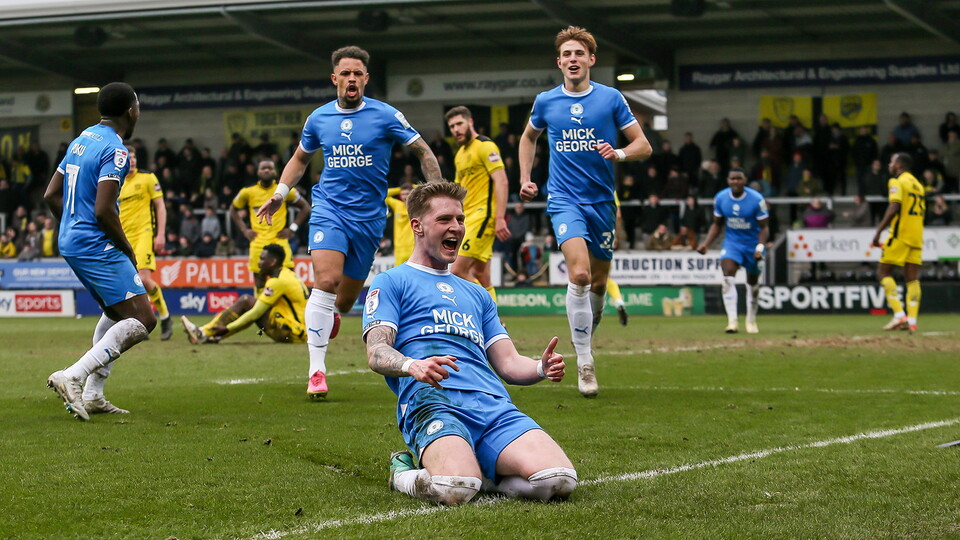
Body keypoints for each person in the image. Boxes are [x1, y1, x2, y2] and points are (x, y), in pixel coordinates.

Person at [363, 182, 575, 505]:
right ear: (417, 226)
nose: (457, 228)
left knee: (559, 480)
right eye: (445, 219)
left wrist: (539, 368)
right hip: (433, 402)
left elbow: (507, 362)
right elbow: (377, 352)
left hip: (492, 407)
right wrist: (412, 365)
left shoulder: (477, 293)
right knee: (455, 487)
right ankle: (403, 472)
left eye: (460, 219)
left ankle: (483, 474)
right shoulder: (391, 282)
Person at [256, 45, 444, 399]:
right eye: (345, 73)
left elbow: (422, 150)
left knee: (342, 301)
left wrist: (435, 194)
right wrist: (281, 192)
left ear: (366, 79)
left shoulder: (386, 114)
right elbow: (299, 159)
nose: (352, 79)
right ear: (334, 79)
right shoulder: (318, 119)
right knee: (325, 280)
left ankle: (332, 314)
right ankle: (316, 372)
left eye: (357, 73)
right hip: (329, 208)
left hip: (369, 218)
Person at [517, 26, 652, 397]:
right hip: (563, 199)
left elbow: (643, 145)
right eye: (567, 54)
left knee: (598, 281)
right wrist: (526, 178)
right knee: (578, 273)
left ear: (591, 60)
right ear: (559, 62)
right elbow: (528, 137)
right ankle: (586, 361)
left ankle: (588, 331)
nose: (573, 59)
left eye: (580, 54)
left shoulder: (610, 99)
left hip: (602, 202)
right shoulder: (546, 101)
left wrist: (619, 153)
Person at [43, 82, 157, 420]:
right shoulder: (116, 150)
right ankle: (73, 376)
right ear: (131, 111)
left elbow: (51, 195)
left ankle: (93, 395)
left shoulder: (81, 140)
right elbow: (104, 210)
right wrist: (126, 247)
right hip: (96, 243)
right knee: (143, 319)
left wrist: (71, 227)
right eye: (138, 106)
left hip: (71, 240)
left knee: (116, 310)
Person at [446, 105, 511, 302]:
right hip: (467, 218)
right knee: (481, 275)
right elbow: (458, 191)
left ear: (470, 122)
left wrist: (499, 217)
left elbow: (502, 181)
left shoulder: (485, 146)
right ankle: (497, 325)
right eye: (451, 127)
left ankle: (489, 317)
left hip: (483, 217)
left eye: (459, 124)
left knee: (457, 271)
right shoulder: (459, 155)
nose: (456, 129)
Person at [182, 244, 308, 344]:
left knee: (246, 301)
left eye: (262, 259)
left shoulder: (277, 281)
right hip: (299, 331)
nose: (259, 262)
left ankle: (203, 333)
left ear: (272, 262)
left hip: (292, 333)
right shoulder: (287, 275)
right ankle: (209, 335)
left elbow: (255, 312)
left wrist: (228, 328)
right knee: (248, 306)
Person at [696, 167, 769, 334]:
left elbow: (764, 227)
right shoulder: (721, 198)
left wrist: (760, 246)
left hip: (752, 245)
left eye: (739, 179)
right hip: (732, 243)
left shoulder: (756, 199)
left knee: (753, 284)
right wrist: (706, 244)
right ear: (728, 180)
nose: (735, 182)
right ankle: (732, 322)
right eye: (732, 179)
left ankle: (751, 320)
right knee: (728, 274)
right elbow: (717, 224)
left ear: (745, 180)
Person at [118, 144, 172, 339]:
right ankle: (141, 322)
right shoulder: (116, 182)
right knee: (128, 283)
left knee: (143, 279)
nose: (131, 160)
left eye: (133, 157)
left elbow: (161, 207)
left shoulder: (148, 178)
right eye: (127, 157)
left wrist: (161, 234)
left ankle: (165, 317)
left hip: (144, 233)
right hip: (123, 238)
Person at [230, 158, 309, 290]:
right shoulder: (248, 192)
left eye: (270, 168)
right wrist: (245, 230)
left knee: (288, 276)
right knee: (259, 280)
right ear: (258, 172)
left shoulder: (284, 190)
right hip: (258, 242)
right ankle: (262, 308)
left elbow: (305, 207)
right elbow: (233, 209)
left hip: (279, 240)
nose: (266, 170)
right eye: (263, 168)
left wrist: (292, 229)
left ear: (275, 172)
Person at [872, 153, 925, 332]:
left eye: (891, 161)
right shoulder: (918, 185)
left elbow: (894, 207)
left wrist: (878, 231)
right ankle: (912, 321)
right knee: (912, 279)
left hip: (900, 234)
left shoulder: (897, 181)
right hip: (916, 236)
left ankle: (898, 315)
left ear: (899, 165)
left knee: (883, 272)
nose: (889, 164)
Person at [385, 183, 414, 266]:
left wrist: (414, 187)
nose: (405, 196)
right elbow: (383, 194)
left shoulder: (418, 206)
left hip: (414, 248)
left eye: (408, 194)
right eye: (403, 194)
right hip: (399, 249)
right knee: (400, 276)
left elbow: (426, 192)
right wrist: (399, 189)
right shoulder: (397, 205)